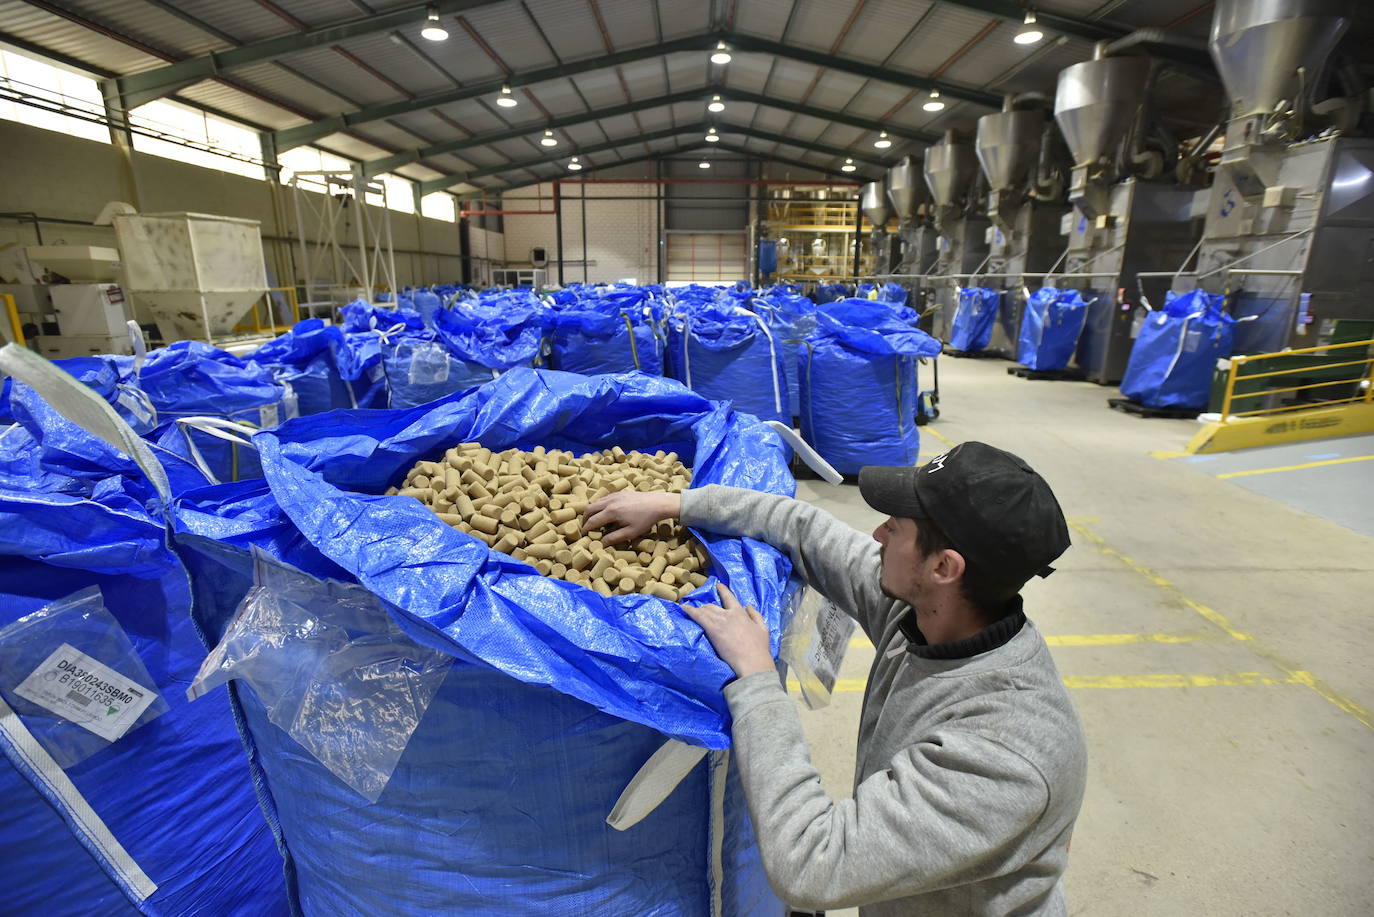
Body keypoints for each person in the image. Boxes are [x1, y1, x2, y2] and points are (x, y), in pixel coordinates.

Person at [583, 441, 1088, 916]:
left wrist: (757, 678)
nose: (876, 535)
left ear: (944, 566)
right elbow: (802, 528)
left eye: (897, 526)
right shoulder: (928, 612)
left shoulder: (1004, 754)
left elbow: (810, 864)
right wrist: (675, 503)